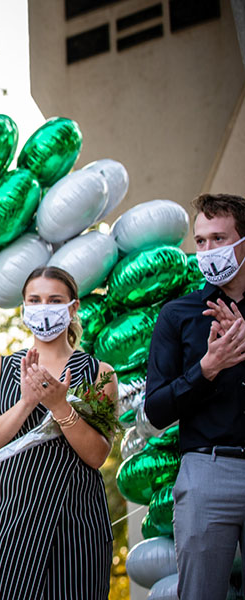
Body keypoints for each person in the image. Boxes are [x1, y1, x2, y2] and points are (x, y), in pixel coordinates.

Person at [0, 267, 115, 600]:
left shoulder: (99, 373)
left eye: (54, 300)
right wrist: (26, 403)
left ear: (73, 308)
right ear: (23, 308)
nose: (43, 307)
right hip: (11, 522)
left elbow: (97, 455)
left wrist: (60, 406)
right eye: (34, 300)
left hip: (78, 524)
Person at [145, 193, 245, 600]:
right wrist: (207, 368)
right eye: (200, 241)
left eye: (219, 239)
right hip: (208, 469)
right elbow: (156, 409)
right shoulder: (178, 313)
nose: (207, 250)